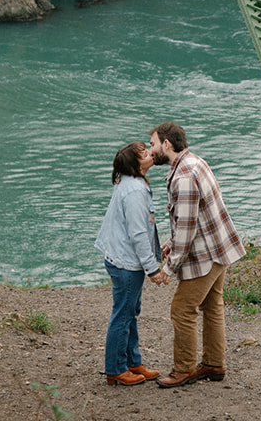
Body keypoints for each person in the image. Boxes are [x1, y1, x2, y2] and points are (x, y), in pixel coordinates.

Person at [146, 121, 246, 388]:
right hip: (220, 247)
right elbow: (192, 218)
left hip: (204, 255)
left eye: (153, 144)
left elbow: (188, 230)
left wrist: (169, 268)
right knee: (212, 306)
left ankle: (184, 370)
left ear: (166, 144)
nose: (151, 150)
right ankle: (214, 364)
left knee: (182, 309)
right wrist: (170, 242)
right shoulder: (195, 161)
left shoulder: (183, 178)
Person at [94, 140, 164, 386]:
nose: (150, 153)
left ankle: (132, 362)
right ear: (135, 164)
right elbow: (138, 234)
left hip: (118, 256)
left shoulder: (130, 183)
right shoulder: (135, 190)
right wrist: (152, 268)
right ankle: (115, 369)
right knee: (123, 315)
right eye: (144, 153)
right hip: (125, 262)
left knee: (130, 313)